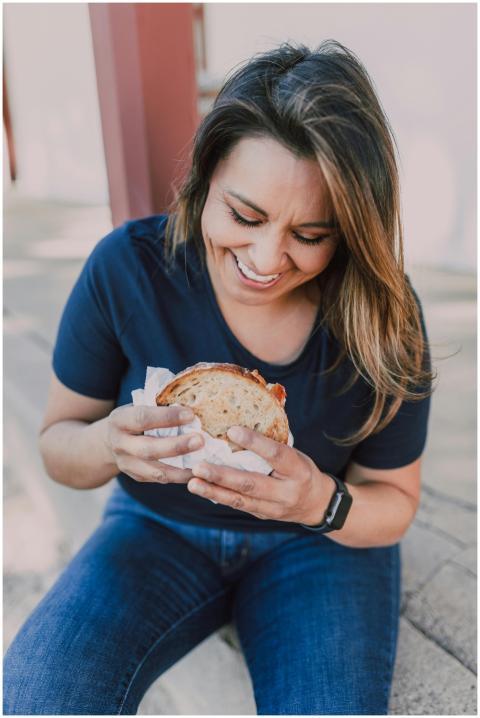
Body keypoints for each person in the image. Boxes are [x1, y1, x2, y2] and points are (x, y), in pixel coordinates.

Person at [3, 39, 434, 715]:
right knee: (40, 694)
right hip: (157, 528)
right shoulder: (129, 269)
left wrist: (318, 503)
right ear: (204, 181)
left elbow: (393, 502)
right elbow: (60, 442)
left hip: (317, 548)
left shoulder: (383, 315)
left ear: (349, 230)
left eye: (311, 234)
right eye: (245, 215)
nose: (267, 258)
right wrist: (111, 445)